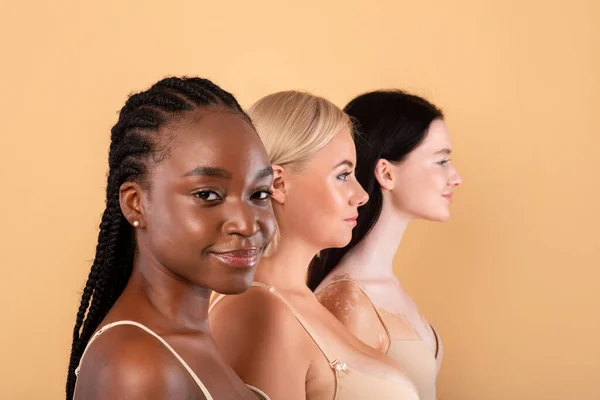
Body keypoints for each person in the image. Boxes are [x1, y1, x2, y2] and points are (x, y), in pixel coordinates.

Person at [66, 76, 276, 400]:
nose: (247, 225)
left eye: (259, 193)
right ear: (136, 203)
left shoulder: (189, 336)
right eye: (207, 194)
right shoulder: (136, 366)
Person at [209, 91, 420, 400]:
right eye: (343, 174)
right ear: (277, 184)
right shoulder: (256, 309)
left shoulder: (295, 301)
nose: (361, 195)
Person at [310, 90, 463, 400]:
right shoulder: (347, 300)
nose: (455, 177)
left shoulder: (384, 286)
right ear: (386, 173)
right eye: (442, 161)